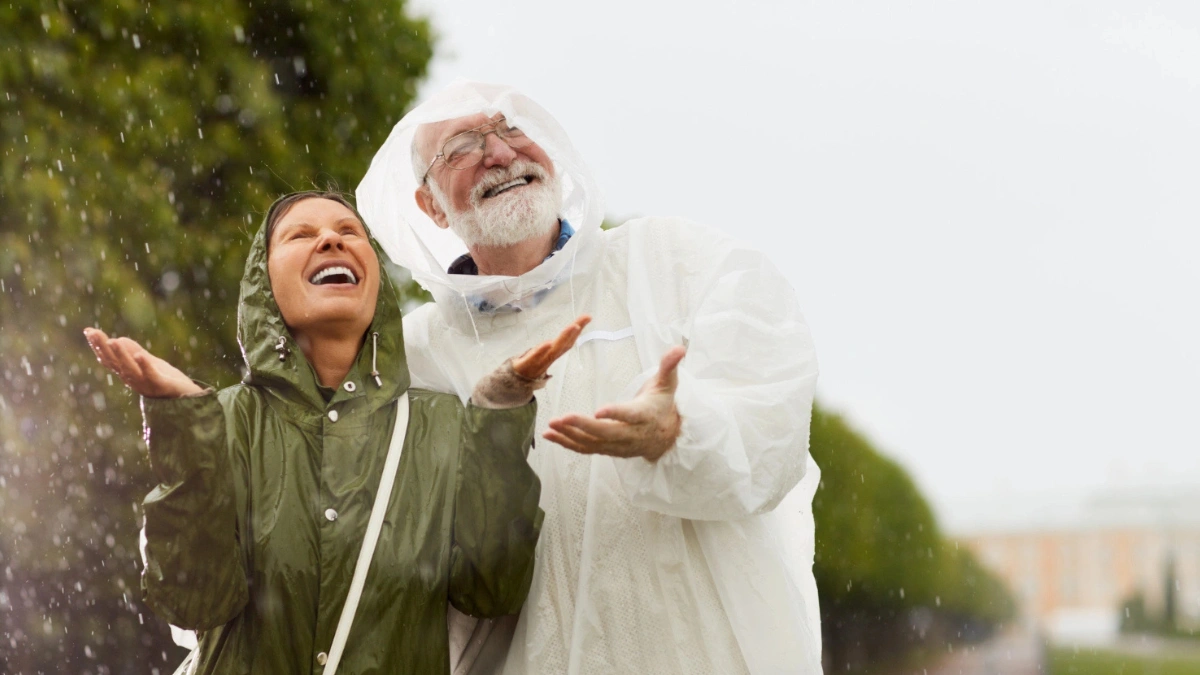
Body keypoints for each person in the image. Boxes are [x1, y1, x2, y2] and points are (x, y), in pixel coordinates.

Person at [357, 82, 823, 674]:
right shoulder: (416, 355)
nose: (500, 152)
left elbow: (772, 426)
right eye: (463, 146)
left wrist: (679, 433)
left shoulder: (673, 262)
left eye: (511, 127)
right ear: (431, 206)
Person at [84, 191, 590, 674]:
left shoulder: (445, 428)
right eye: (301, 235)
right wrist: (185, 422)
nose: (331, 240)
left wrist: (499, 420)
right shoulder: (221, 422)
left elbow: (493, 591)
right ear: (264, 284)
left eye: (349, 231)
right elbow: (191, 600)